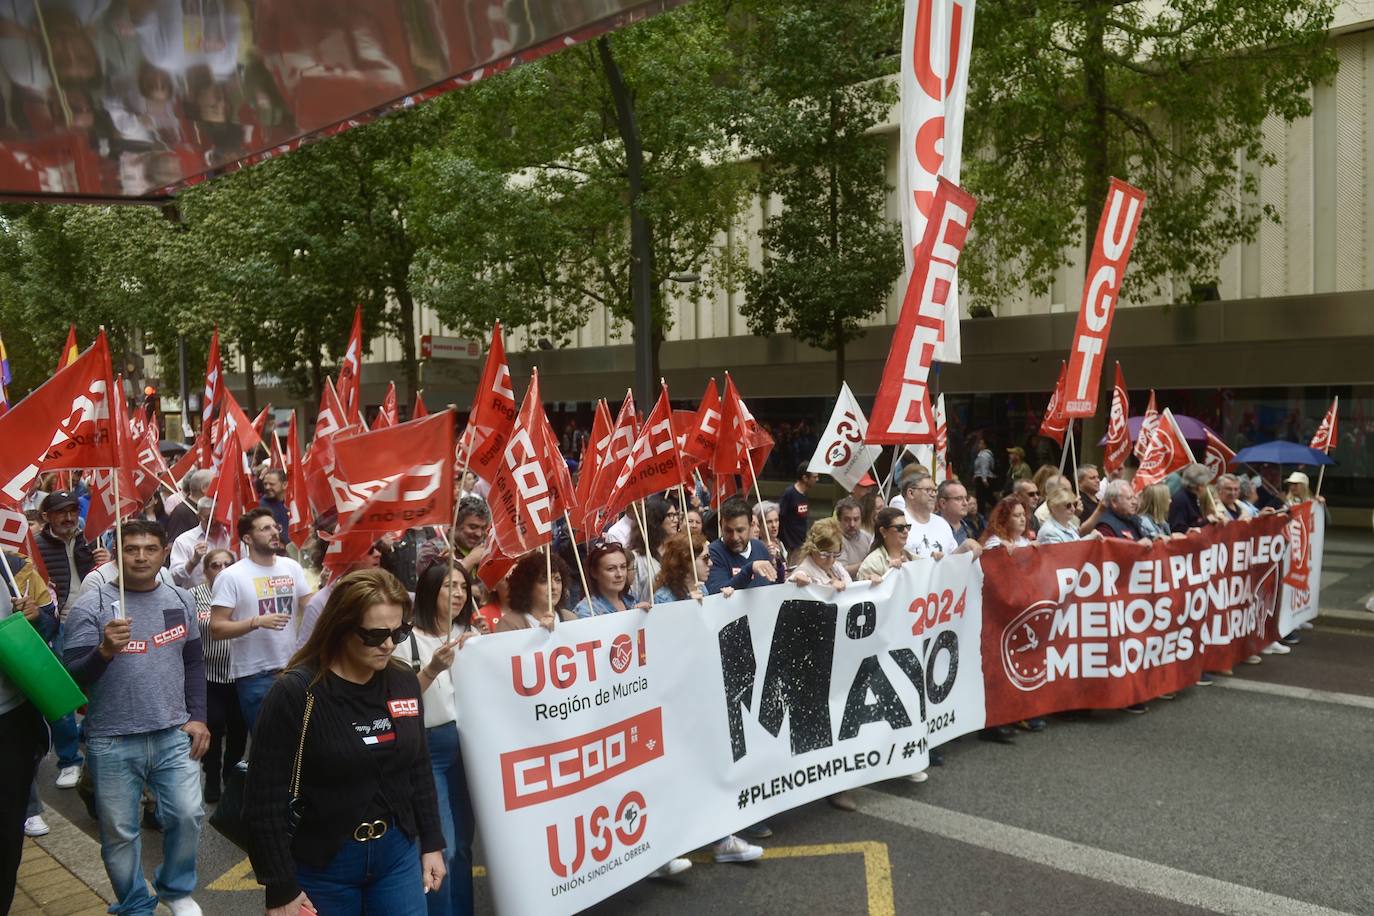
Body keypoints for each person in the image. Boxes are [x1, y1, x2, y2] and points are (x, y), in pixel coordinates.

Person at [245, 569, 446, 916]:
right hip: (323, 863)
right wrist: (280, 889)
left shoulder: (403, 681)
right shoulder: (296, 693)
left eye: (399, 632)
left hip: (396, 855)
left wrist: (432, 843)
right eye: (374, 635)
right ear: (340, 628)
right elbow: (264, 800)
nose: (388, 644)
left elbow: (418, 766)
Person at [63, 520, 208, 916]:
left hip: (172, 731)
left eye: (149, 548)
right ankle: (133, 904)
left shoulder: (180, 598)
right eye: (131, 549)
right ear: (116, 552)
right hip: (111, 738)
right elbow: (72, 675)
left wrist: (198, 716)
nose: (141, 556)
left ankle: (176, 889)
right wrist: (104, 651)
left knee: (187, 814)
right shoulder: (91, 605)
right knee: (120, 834)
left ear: (164, 553)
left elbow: (193, 662)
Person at [408, 563, 480, 916]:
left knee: (465, 845)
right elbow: (401, 700)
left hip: (468, 747)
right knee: (443, 847)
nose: (458, 594)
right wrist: (432, 668)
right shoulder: (407, 641)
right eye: (449, 586)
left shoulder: (471, 633)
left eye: (463, 587)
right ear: (428, 592)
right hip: (429, 749)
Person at [210, 508, 315, 730]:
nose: (274, 532)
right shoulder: (231, 576)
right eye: (265, 528)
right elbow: (217, 628)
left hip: (294, 669)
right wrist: (255, 622)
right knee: (266, 746)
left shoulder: (291, 567)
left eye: (275, 527)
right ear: (247, 538)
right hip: (255, 675)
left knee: (302, 742)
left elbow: (311, 606)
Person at [34, 489, 107, 791]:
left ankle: (90, 736)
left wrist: (107, 561)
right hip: (60, 626)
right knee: (61, 694)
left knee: (99, 687)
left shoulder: (96, 539)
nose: (68, 517)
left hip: (97, 622)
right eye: (61, 511)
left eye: (72, 510)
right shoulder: (36, 546)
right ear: (46, 517)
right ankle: (69, 759)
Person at [0, 552, 59, 908]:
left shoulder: (11, 567)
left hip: (11, 722)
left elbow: (50, 627)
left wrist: (36, 619)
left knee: (7, 832)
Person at [190, 549, 246, 804]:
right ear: (206, 571)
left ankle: (230, 775)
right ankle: (211, 775)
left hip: (240, 674)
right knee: (213, 725)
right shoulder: (194, 596)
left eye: (227, 564)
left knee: (238, 730)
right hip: (208, 675)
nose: (222, 569)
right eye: (215, 565)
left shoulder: (245, 593)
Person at [296, 542, 385, 649]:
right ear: (347, 556)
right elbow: (304, 652)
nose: (378, 554)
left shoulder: (385, 593)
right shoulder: (321, 602)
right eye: (369, 550)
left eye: (378, 548)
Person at [705, 498, 780, 595]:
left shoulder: (760, 548)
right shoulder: (713, 552)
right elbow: (717, 592)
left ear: (751, 526)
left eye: (740, 530)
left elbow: (772, 586)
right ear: (721, 526)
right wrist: (749, 569)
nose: (735, 537)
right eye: (728, 531)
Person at [899, 474, 981, 560]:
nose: (934, 495)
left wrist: (965, 547)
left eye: (935, 491)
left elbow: (952, 560)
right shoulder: (898, 523)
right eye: (928, 490)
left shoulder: (942, 523)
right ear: (911, 493)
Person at [496, 552, 577, 632]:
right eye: (544, 581)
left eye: (558, 580)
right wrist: (539, 633)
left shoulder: (571, 619)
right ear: (527, 586)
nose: (554, 587)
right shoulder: (509, 624)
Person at [169, 497, 235, 588]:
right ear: (199, 516)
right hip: (197, 598)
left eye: (217, 518)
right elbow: (174, 578)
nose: (214, 522)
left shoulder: (231, 538)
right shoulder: (184, 541)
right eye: (209, 519)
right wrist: (193, 562)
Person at [573, 541, 649, 618]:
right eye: (611, 569)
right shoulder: (587, 611)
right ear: (594, 573)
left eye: (623, 567)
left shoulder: (631, 601)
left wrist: (642, 616)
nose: (619, 574)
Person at [626, 496, 680, 600]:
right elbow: (633, 597)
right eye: (670, 515)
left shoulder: (678, 551)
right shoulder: (637, 558)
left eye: (676, 515)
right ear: (656, 519)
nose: (676, 520)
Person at [788, 519, 852, 592]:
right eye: (825, 554)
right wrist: (797, 580)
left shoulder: (836, 567)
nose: (831, 560)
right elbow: (795, 580)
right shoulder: (805, 572)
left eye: (835, 554)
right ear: (812, 548)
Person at [379, 526, 447, 592]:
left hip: (428, 592)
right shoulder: (396, 534)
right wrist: (386, 550)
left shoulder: (436, 533)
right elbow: (388, 567)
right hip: (403, 592)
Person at [652, 531, 714, 603]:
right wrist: (689, 604)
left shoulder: (702, 589)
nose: (710, 563)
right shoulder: (663, 598)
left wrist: (724, 599)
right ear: (686, 560)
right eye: (705, 558)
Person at [857, 508, 915, 582]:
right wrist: (890, 572)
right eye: (900, 528)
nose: (906, 531)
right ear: (883, 531)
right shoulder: (872, 564)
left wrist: (934, 560)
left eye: (907, 527)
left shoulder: (912, 557)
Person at [776, 463, 818, 558]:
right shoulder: (789, 494)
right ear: (805, 478)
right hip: (790, 545)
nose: (817, 480)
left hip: (801, 542)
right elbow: (780, 516)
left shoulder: (804, 494)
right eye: (814, 477)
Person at [165, 470, 213, 546]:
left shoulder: (204, 509)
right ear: (204, 488)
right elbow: (174, 545)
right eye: (214, 485)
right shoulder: (182, 512)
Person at [1168, 463, 1213, 533]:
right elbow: (1179, 528)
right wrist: (1207, 521)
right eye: (1206, 484)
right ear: (1200, 487)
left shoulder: (1193, 497)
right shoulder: (1181, 500)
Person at [934, 480, 978, 545]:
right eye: (959, 498)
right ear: (943, 503)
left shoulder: (969, 529)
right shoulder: (930, 527)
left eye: (966, 498)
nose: (965, 503)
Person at [833, 498, 868, 578]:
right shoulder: (835, 540)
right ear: (839, 520)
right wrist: (868, 563)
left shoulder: (867, 536)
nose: (852, 524)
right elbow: (841, 572)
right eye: (847, 520)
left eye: (856, 519)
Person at [972, 435, 996, 510]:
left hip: (983, 478)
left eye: (981, 443)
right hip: (981, 477)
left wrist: (984, 479)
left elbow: (984, 467)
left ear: (985, 445)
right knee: (986, 496)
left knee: (982, 497)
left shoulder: (984, 455)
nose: (979, 445)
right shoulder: (981, 454)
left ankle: (982, 512)